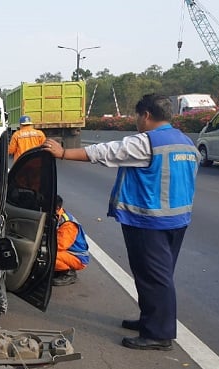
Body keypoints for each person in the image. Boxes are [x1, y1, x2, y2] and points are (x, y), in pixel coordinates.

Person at [42, 93, 199, 351]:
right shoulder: (184, 141)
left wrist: (63, 153)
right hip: (177, 219)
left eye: (138, 116)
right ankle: (150, 321)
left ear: (146, 115)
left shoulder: (147, 142)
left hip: (150, 222)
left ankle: (158, 334)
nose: (138, 121)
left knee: (154, 278)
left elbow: (106, 152)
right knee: (158, 275)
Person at [53, 195, 90, 286]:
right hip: (67, 253)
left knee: (47, 255)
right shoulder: (56, 216)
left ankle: (68, 273)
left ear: (57, 208)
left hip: (77, 257)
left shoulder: (68, 224)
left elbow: (60, 245)